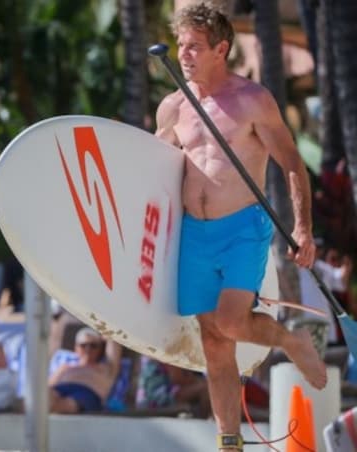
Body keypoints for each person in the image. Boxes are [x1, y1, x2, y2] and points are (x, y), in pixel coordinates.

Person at [155, 4, 327, 450]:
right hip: (194, 233)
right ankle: (228, 441)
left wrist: (303, 229)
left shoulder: (252, 100)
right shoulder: (173, 107)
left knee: (231, 322)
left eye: (194, 47)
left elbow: (292, 163)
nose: (184, 55)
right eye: (180, 46)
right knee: (213, 343)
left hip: (242, 228)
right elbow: (151, 170)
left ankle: (292, 341)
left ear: (221, 49)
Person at [48, 327, 122, 414]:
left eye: (93, 346)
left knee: (65, 406)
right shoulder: (65, 367)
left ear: (100, 349)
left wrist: (109, 337)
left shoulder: (106, 368)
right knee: (44, 398)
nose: (88, 349)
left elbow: (113, 340)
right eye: (83, 345)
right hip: (59, 389)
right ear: (76, 348)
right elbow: (48, 386)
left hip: (87, 392)